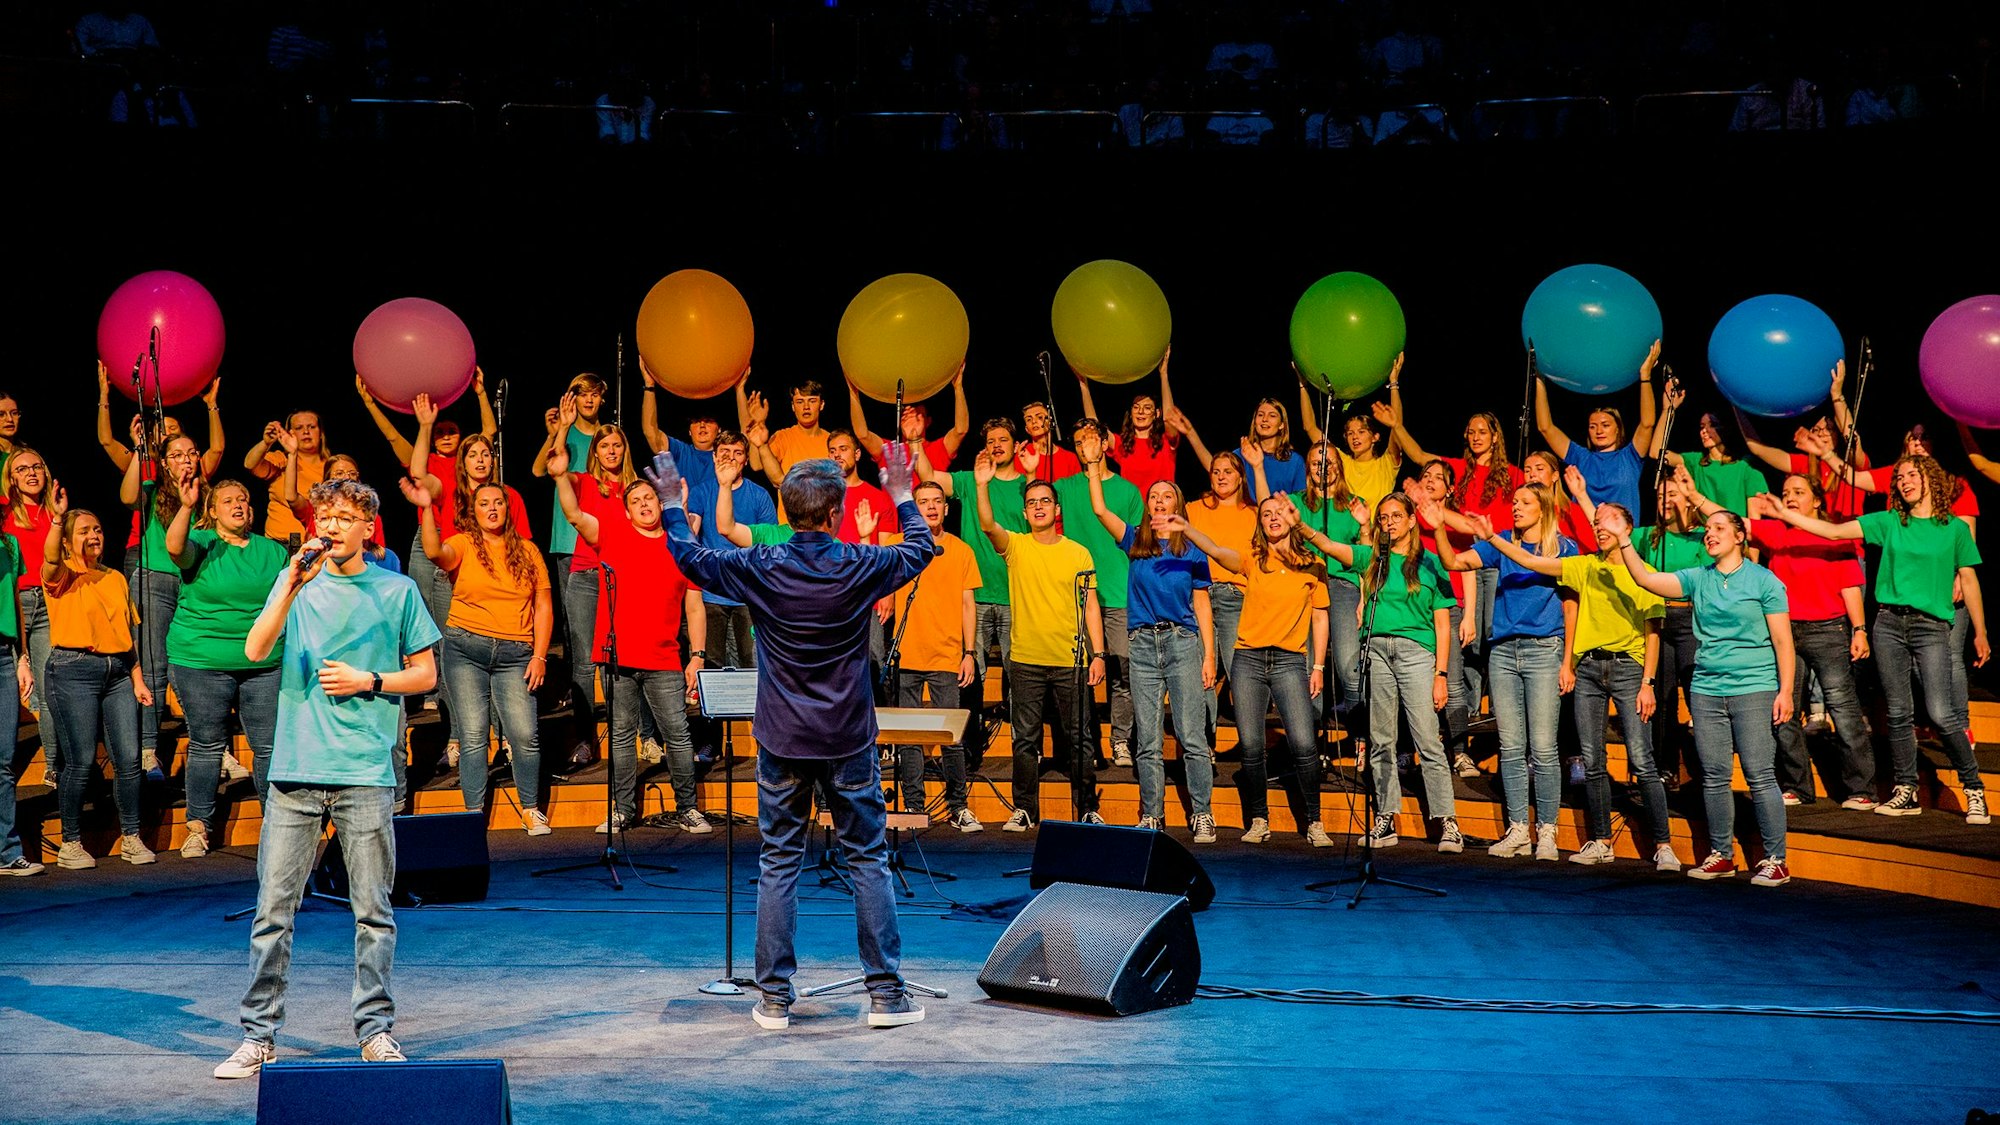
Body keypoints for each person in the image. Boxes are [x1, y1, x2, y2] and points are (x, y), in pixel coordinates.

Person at [651, 441, 933, 1030]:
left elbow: (687, 554)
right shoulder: (859, 562)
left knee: (779, 860)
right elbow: (921, 546)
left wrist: (675, 504)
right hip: (847, 735)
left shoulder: (763, 565)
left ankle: (774, 999)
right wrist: (902, 491)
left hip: (782, 736)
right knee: (867, 860)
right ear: (833, 515)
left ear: (787, 510)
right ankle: (886, 996)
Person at [214, 478, 440, 1079]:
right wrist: (288, 585)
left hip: (364, 770)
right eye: (325, 515)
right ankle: (259, 1036)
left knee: (373, 912)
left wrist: (369, 681)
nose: (332, 525)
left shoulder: (397, 589)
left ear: (368, 525)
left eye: (345, 516)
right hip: (295, 768)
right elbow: (257, 646)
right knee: (273, 911)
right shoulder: (298, 584)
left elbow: (424, 676)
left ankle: (375, 1031)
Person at [1759, 454, 1989, 825]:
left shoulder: (1954, 529)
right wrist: (1786, 516)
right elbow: (1834, 532)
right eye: (1898, 476)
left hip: (1931, 626)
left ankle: (1973, 788)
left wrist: (1980, 632)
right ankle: (1905, 789)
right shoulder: (1888, 522)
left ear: (1931, 479)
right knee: (1898, 713)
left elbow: (1970, 580)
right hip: (1888, 625)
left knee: (1941, 712)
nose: (1903, 481)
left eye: (1912, 474)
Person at [1470, 500, 1674, 869]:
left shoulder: (1644, 573)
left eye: (1608, 520)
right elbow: (1532, 562)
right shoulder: (1584, 566)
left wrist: (1648, 682)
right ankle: (1600, 840)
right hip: (1590, 668)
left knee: (1642, 760)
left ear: (1628, 527)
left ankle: (1663, 844)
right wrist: (1492, 540)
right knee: (1593, 761)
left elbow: (1653, 631)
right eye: (1596, 522)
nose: (1599, 527)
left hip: (1629, 669)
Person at [1608, 505, 1795, 885]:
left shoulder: (1764, 581)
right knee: (1713, 776)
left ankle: (1776, 859)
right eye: (1707, 529)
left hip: (1753, 687)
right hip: (1707, 689)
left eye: (1719, 528)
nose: (1710, 534)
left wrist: (1786, 691)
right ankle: (1721, 854)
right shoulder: (1699, 578)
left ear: (1740, 536)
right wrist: (1625, 540)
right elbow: (1645, 578)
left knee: (1760, 775)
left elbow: (1782, 641)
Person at [1687, 469, 1874, 809]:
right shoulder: (1777, 533)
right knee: (1784, 711)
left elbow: (1850, 588)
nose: (1789, 497)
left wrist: (1859, 629)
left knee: (1843, 710)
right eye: (1786, 491)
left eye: (1799, 492)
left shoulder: (1835, 537)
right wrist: (1693, 496)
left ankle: (1861, 789)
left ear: (1817, 500)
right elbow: (1731, 522)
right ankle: (1798, 786)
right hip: (1785, 632)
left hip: (1828, 631)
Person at [549, 444, 710, 835]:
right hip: (619, 657)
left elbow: (695, 606)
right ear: (626, 510)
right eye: (635, 499)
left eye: (649, 497)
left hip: (665, 659)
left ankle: (687, 807)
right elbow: (573, 515)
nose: (643, 504)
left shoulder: (680, 546)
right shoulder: (614, 536)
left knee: (676, 732)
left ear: (661, 503)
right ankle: (623, 810)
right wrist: (559, 477)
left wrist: (698, 655)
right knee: (621, 737)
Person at [1171, 495, 1337, 846]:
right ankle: (1259, 818)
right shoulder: (1253, 558)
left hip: (1291, 661)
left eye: (1279, 513)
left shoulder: (1313, 565)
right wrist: (1187, 528)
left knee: (1305, 744)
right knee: (1250, 745)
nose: (1272, 518)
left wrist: (1319, 665)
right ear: (1259, 523)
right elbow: (1217, 552)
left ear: (1292, 519)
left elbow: (1320, 616)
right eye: (1266, 514)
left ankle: (1314, 820)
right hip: (1248, 660)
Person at [1435, 484, 1578, 860]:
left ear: (1544, 509)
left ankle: (1547, 831)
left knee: (1544, 748)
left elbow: (1562, 599)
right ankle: (1518, 830)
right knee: (1511, 747)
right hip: (1503, 651)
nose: (1516, 507)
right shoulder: (1497, 544)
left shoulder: (1564, 549)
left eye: (1525, 503)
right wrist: (1436, 527)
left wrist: (1568, 661)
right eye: (1514, 502)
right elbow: (1454, 562)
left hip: (1545, 650)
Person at [407, 475, 553, 833]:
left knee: (523, 734)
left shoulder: (528, 551)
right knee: (473, 734)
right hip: (465, 648)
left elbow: (544, 606)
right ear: (473, 512)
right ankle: (473, 814)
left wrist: (540, 656)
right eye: (484, 503)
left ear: (508, 509)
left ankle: (530, 809)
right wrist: (427, 509)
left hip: (517, 653)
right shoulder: (463, 544)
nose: (492, 508)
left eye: (498, 502)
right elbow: (434, 553)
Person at [976, 458, 1106, 831]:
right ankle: (1025, 809)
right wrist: (982, 485)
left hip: (1071, 660)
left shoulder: (1078, 552)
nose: (1038, 506)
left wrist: (1098, 654)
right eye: (1032, 502)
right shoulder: (1016, 547)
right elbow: (987, 525)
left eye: (1045, 501)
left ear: (1057, 508)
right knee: (1024, 740)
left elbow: (1091, 606)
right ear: (1025, 510)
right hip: (1027, 661)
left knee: (1078, 740)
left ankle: (1085, 808)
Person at [164, 472, 288, 858]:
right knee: (206, 743)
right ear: (213, 511)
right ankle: (198, 828)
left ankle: (279, 828)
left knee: (267, 747)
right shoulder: (202, 543)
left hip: (264, 662)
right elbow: (174, 547)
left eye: (244, 499)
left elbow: (289, 600)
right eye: (229, 499)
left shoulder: (272, 551)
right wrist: (185, 506)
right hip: (202, 659)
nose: (239, 505)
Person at [1090, 466, 1215, 839]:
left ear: (1178, 504)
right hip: (1142, 643)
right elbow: (1099, 509)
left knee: (1191, 734)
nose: (1160, 501)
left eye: (1167, 496)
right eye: (1154, 496)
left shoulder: (1191, 549)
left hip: (1182, 641)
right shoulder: (1135, 540)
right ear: (1147, 505)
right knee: (1147, 739)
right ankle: (1153, 814)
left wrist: (1209, 656)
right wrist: (1095, 466)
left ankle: (1202, 812)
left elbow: (1202, 603)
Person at [411, 396, 535, 768]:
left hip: (501, 591)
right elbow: (419, 472)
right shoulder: (449, 488)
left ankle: (507, 739)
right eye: (473, 455)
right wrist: (425, 427)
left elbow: (524, 545)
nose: (481, 460)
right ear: (461, 463)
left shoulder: (507, 496)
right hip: (453, 583)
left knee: (500, 663)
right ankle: (458, 739)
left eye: (486, 454)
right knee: (458, 661)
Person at [41, 484, 152, 869]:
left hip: (118, 672)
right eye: (84, 531)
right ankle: (71, 842)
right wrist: (57, 519)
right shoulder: (60, 575)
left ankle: (132, 837)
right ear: (70, 541)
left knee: (129, 758)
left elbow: (128, 635)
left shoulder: (116, 578)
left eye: (98, 529)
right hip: (73, 671)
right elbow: (50, 557)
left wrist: (137, 678)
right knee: (81, 760)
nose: (93, 536)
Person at [878, 479, 983, 827]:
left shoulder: (961, 550)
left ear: (947, 508)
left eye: (937, 501)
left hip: (946, 656)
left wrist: (969, 652)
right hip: (906, 654)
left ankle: (958, 806)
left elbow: (969, 604)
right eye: (923, 502)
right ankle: (912, 806)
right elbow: (876, 575)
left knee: (950, 737)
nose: (931, 507)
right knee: (909, 739)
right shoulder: (899, 545)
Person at [920, 420, 1029, 743]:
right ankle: (972, 741)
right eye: (991, 440)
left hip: (1013, 593)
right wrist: (915, 443)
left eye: (1003, 439)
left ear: (1014, 445)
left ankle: (1022, 741)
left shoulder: (1026, 486)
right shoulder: (969, 481)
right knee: (973, 671)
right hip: (975, 594)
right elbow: (928, 478)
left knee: (1017, 671)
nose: (997, 445)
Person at [119, 417, 203, 779]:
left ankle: (214, 746)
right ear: (165, 461)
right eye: (177, 454)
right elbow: (126, 496)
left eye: (191, 453)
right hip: (155, 581)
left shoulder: (207, 494)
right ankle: (148, 750)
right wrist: (141, 448)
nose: (186, 459)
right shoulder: (155, 488)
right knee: (152, 667)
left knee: (194, 670)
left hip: (193, 585)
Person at [1057, 420, 1140, 766]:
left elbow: (1137, 545)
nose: (1084, 447)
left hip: (1119, 593)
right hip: (1078, 595)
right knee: (1081, 674)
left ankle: (1121, 739)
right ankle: (1087, 744)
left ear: (1106, 443)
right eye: (1077, 442)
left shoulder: (1129, 491)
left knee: (1124, 671)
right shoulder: (1064, 487)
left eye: (1091, 440)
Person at [1533, 339, 1661, 514]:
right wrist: (1540, 379)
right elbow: (1545, 428)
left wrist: (1645, 376)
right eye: (1593, 426)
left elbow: (1647, 424)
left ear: (1618, 429)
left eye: (1605, 425)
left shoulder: (1630, 457)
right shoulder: (1580, 457)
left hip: (1623, 538)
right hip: (1584, 538)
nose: (1599, 431)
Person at [1182, 442, 1255, 741]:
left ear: (1240, 477)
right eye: (1216, 472)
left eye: (1228, 471)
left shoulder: (1253, 514)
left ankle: (1251, 745)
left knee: (1242, 675)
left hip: (1236, 599)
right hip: (1199, 595)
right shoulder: (1193, 510)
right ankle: (1205, 746)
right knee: (1202, 673)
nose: (1222, 477)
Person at [687, 429, 775, 672]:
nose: (731, 458)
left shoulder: (760, 496)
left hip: (747, 593)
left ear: (746, 460)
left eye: (738, 453)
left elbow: (766, 545)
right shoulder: (701, 491)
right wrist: (680, 508)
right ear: (714, 457)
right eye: (724, 452)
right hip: (711, 592)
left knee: (751, 661)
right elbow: (691, 533)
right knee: (712, 663)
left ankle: (751, 712)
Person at [5, 448, 63, 786]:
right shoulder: (3, 514)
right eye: (22, 469)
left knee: (46, 687)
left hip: (50, 601)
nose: (31, 473)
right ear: (11, 478)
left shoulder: (57, 512)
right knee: (12, 686)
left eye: (37, 466)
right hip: (16, 603)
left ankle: (53, 764)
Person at [1651, 376, 1768, 516]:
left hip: (1734, 536)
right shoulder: (1696, 463)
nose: (1704, 431)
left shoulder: (1745, 466)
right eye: (1702, 426)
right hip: (1704, 536)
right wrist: (1668, 410)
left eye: (1712, 425)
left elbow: (1754, 522)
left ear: (1726, 428)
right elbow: (1656, 453)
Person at [1077, 349, 1180, 497]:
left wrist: (1163, 374)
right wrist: (1083, 384)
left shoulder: (1166, 442)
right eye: (1136, 407)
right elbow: (1094, 426)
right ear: (1131, 413)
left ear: (1156, 413)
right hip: (1135, 514)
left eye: (1147, 408)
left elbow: (1170, 417)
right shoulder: (1122, 444)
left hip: (1163, 512)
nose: (1141, 412)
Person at [1174, 397, 1305, 500]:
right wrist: (1190, 433)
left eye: (1272, 415)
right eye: (1260, 415)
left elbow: (1300, 500)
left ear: (1282, 424)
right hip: (1248, 522)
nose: (1265, 419)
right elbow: (1214, 467)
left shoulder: (1294, 461)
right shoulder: (1244, 453)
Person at [848, 365, 971, 473]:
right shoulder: (889, 449)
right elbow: (862, 434)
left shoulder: (938, 448)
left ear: (928, 421)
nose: (910, 415)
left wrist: (958, 387)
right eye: (906, 415)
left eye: (917, 414)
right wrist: (853, 393)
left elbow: (961, 430)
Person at [0, 523, 36, 875]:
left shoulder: (8, 543)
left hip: (2, 654)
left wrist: (22, 657)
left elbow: (14, 601)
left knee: (3, 759)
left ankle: (7, 852)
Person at [639, 357, 729, 493]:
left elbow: (747, 443)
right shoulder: (681, 451)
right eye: (696, 421)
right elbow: (650, 432)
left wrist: (740, 390)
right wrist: (649, 385)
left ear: (720, 429)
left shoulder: (727, 455)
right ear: (689, 431)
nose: (702, 425)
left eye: (708, 420)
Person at [244, 409, 327, 543]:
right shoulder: (282, 460)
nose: (306, 432)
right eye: (299, 428)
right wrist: (266, 443)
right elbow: (250, 464)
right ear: (290, 434)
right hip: (279, 543)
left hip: (318, 544)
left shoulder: (332, 467)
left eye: (311, 427)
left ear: (321, 433)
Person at [741, 377, 832, 494]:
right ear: (793, 406)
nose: (806, 407)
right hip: (790, 511)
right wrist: (757, 426)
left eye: (812, 401)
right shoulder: (783, 437)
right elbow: (756, 464)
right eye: (800, 401)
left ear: (822, 404)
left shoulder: (832, 441)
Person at [1015, 399, 1082, 483]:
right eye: (1029, 419)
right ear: (1026, 429)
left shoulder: (1070, 458)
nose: (1034, 421)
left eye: (1039, 417)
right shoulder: (1022, 456)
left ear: (1050, 422)